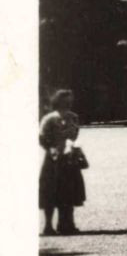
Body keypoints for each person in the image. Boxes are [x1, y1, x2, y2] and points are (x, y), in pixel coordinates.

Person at [39, 89, 87, 236]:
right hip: (53, 160)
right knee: (51, 192)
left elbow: (75, 135)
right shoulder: (49, 118)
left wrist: (74, 147)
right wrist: (51, 148)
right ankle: (48, 226)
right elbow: (42, 137)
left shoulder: (74, 117)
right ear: (58, 101)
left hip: (69, 158)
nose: (69, 103)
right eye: (65, 100)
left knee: (69, 192)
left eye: (70, 100)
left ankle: (66, 224)